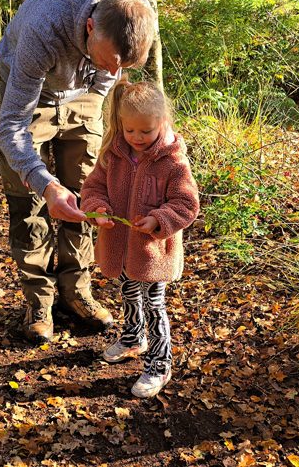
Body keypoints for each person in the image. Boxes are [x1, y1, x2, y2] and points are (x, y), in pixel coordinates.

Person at [0, 0, 157, 345]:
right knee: (30, 199)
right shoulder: (44, 26)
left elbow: (110, 79)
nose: (116, 75)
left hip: (84, 93)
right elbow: (11, 126)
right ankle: (39, 300)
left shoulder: (137, 14)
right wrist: (46, 183)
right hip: (29, 93)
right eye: (110, 62)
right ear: (88, 27)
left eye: (124, 67)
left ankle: (76, 290)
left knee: (88, 192)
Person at [80, 81, 200, 398]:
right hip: (120, 248)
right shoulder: (114, 154)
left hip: (153, 253)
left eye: (145, 131)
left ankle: (160, 365)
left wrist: (159, 219)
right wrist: (98, 209)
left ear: (162, 122)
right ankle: (134, 337)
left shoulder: (172, 161)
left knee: (153, 304)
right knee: (129, 293)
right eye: (129, 130)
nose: (136, 138)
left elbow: (186, 204)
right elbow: (93, 189)